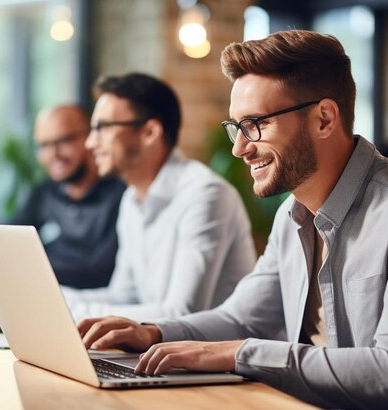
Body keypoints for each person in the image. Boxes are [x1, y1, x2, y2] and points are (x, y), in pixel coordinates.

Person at [76, 31, 388, 410]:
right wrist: (152, 333)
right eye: (236, 127)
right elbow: (243, 319)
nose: (240, 148)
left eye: (255, 125)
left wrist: (239, 353)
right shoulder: (291, 214)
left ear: (324, 119)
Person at [59, 73, 256, 321]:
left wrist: (69, 311)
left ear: (150, 132)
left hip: (221, 357)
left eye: (101, 128)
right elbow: (124, 296)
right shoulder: (131, 199)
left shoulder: (205, 195)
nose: (89, 143)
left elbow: (182, 315)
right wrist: (50, 298)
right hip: (160, 355)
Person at [0, 105, 126, 316]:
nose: (53, 154)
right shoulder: (45, 193)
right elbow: (3, 238)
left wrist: (16, 278)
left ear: (90, 138)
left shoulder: (122, 198)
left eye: (63, 141)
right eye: (44, 145)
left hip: (79, 311)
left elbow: (98, 272)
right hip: (32, 298)